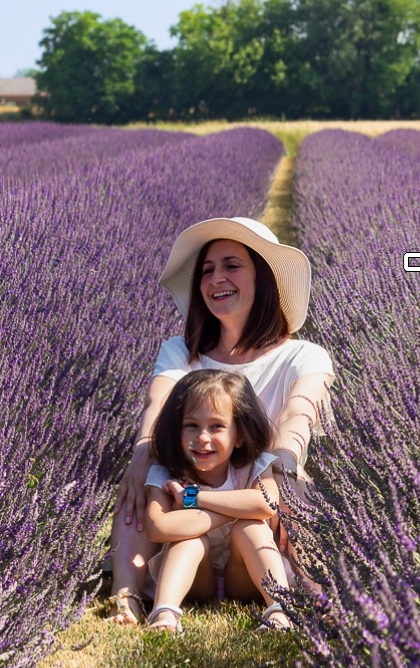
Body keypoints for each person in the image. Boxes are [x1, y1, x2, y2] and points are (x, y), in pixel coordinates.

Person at [108, 216, 334, 626]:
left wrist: (280, 470)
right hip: (186, 518)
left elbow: (299, 413)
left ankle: (311, 593)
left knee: (294, 491)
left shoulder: (305, 356)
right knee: (143, 475)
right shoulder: (181, 351)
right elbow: (158, 405)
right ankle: (127, 598)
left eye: (232, 265)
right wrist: (141, 454)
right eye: (208, 270)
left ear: (262, 278)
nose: (217, 278)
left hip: (258, 510)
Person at [141, 369, 295, 632]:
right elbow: (158, 527)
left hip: (247, 577)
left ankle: (279, 610)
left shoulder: (254, 466)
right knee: (190, 538)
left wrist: (195, 498)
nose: (202, 437)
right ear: (176, 429)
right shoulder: (167, 473)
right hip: (195, 580)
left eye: (217, 427)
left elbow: (266, 503)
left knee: (250, 527)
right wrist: (239, 509)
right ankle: (164, 613)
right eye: (191, 425)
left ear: (240, 436)